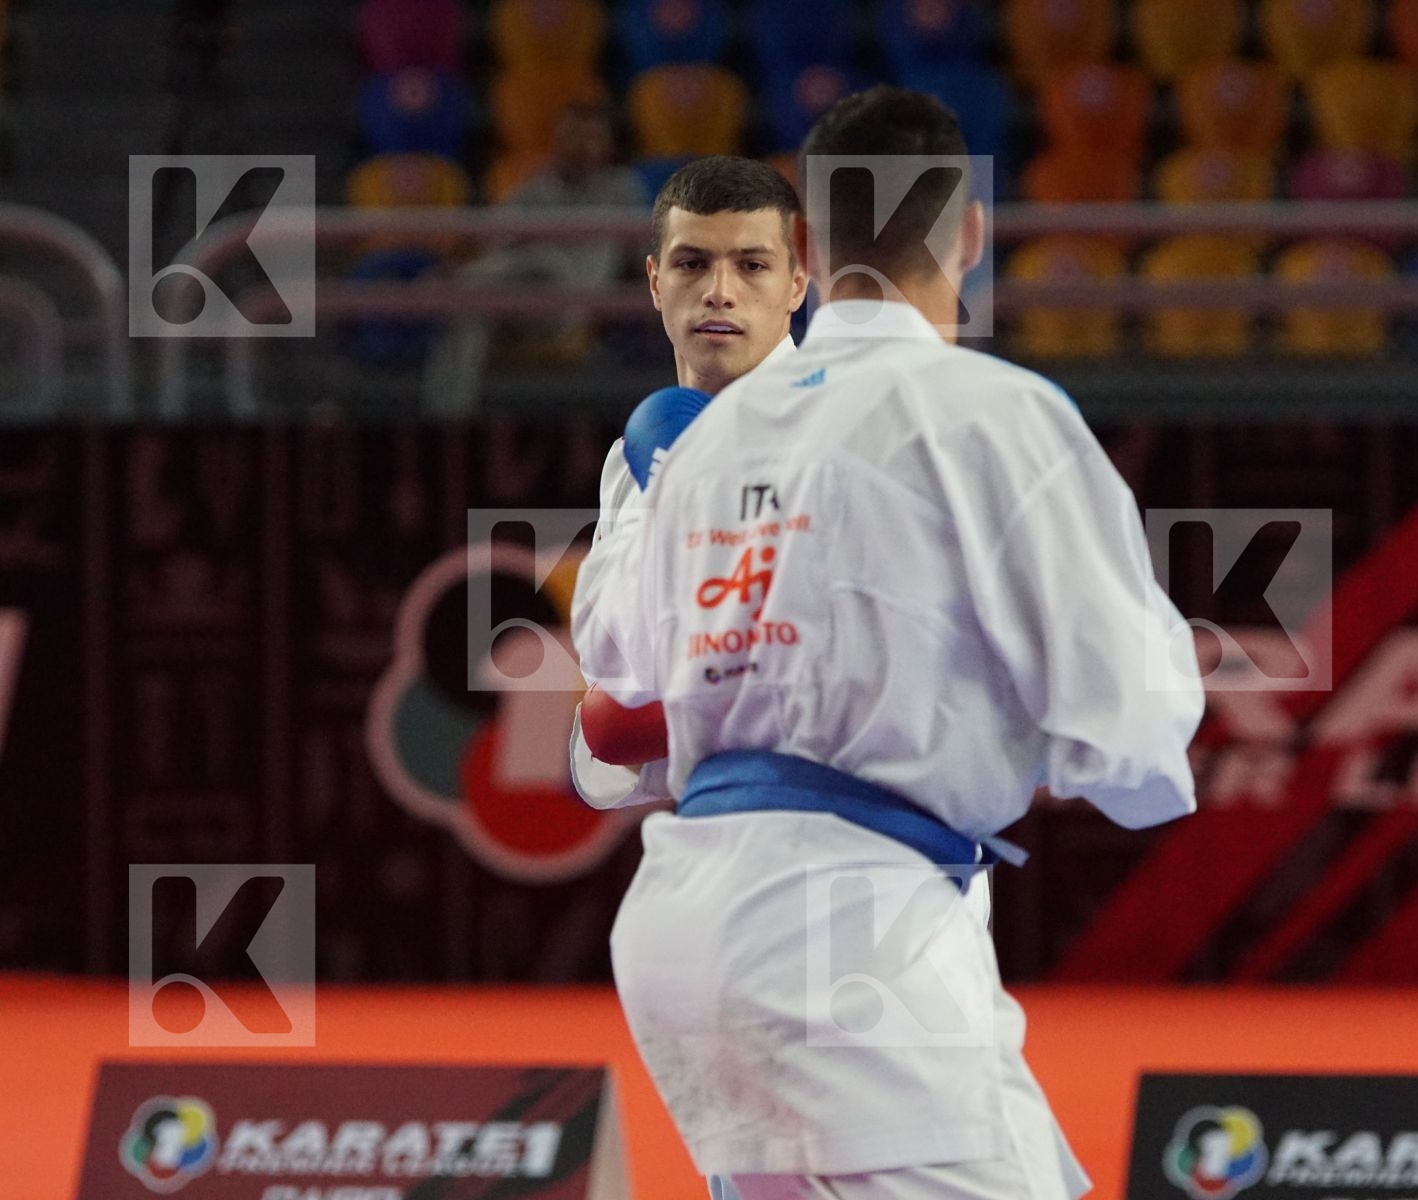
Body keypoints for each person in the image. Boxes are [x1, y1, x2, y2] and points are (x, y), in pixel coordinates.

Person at [576, 87, 1203, 1198]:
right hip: (849, 946)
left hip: (693, 924)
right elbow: (1136, 735)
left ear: (806, 245)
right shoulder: (987, 412)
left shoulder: (708, 443)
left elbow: (616, 697)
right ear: (972, 233)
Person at [568, 156, 809, 809]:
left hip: (881, 862)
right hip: (725, 847)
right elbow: (610, 730)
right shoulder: (632, 462)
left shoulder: (855, 430)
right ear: (654, 280)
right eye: (692, 263)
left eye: (752, 265)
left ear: (796, 284)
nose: (719, 291)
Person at [424, 100, 649, 415]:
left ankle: (447, 287)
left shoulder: (622, 189)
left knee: (541, 261)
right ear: (558, 140)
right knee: (471, 310)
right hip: (521, 304)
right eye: (573, 136)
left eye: (591, 137)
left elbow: (643, 263)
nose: (581, 145)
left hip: (569, 308)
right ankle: (446, 417)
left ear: (607, 145)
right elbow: (493, 242)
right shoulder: (535, 188)